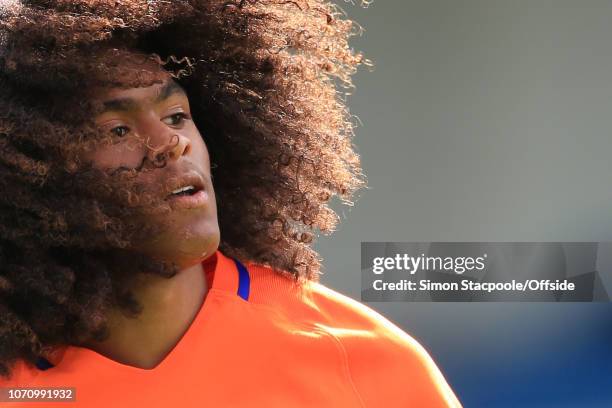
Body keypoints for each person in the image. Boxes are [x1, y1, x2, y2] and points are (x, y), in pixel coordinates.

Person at [0, 0, 462, 406]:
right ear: (30, 173)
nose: (171, 142)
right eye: (117, 130)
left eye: (177, 115)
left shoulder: (363, 363)